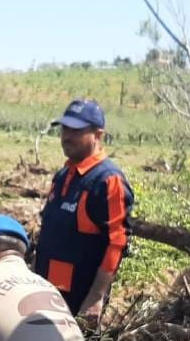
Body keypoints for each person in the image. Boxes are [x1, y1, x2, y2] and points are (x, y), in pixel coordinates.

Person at [33, 98, 133, 324]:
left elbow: (117, 242)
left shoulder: (108, 180)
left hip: (79, 300)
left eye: (76, 130)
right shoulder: (63, 176)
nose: (67, 136)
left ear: (98, 135)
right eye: (65, 129)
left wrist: (96, 298)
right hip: (49, 291)